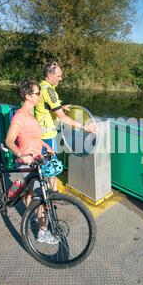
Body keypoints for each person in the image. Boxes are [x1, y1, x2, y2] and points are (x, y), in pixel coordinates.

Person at [5, 80, 59, 244]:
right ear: (28, 96)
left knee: (31, 193)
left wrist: (45, 146)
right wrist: (22, 154)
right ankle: (42, 233)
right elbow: (9, 141)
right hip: (26, 161)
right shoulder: (20, 116)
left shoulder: (32, 115)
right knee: (41, 196)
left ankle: (31, 214)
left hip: (37, 159)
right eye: (37, 93)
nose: (40, 95)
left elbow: (35, 137)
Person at [35, 62, 96, 192]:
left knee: (46, 166)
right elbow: (62, 117)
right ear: (49, 75)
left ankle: (49, 193)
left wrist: (60, 107)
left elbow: (43, 107)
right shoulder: (49, 91)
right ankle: (50, 195)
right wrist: (84, 127)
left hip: (38, 134)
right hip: (47, 137)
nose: (60, 79)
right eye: (58, 76)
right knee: (52, 167)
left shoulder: (40, 86)